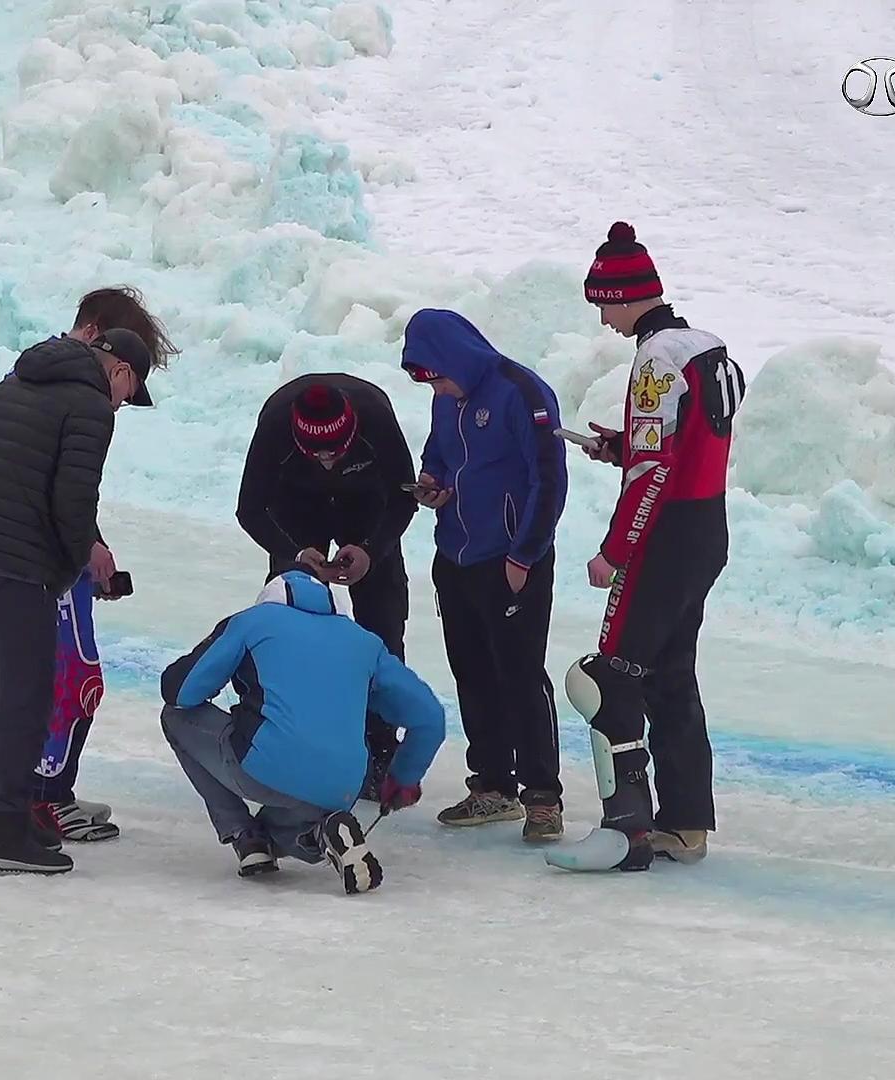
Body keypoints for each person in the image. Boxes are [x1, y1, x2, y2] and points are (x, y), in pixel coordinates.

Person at [546, 221, 745, 874]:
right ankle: (685, 823)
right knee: (669, 674)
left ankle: (625, 831)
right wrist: (623, 445)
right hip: (704, 527)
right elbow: (685, 446)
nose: (602, 319)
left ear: (627, 296)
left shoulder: (657, 358)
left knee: (610, 678)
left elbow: (653, 471)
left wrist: (613, 550)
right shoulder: (706, 344)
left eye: (602, 303)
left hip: (663, 537)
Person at [0, 320, 161, 875]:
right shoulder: (89, 407)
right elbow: (73, 500)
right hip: (20, 569)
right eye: (128, 392)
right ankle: (5, 834)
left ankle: (9, 818)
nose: (121, 406)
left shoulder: (12, 384)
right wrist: (79, 565)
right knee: (28, 696)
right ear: (119, 371)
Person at [159, 567, 448, 894]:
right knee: (284, 832)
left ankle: (243, 834)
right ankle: (322, 832)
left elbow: (180, 692)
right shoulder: (364, 642)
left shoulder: (253, 622)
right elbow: (430, 717)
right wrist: (403, 778)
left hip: (263, 766)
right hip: (341, 786)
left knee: (175, 718)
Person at [400, 308, 569, 840]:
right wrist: (433, 480)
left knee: (520, 673)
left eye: (440, 378)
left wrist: (525, 555)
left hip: (512, 559)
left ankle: (543, 795)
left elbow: (549, 479)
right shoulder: (446, 400)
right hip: (456, 556)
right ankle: (493, 786)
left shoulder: (521, 392)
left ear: (457, 359)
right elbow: (441, 452)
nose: (439, 391)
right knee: (471, 671)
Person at [27, 286, 179, 846]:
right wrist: (83, 546)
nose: (123, 401)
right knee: (74, 680)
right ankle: (45, 798)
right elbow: (61, 491)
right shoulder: (79, 397)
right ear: (98, 336)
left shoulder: (35, 378)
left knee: (56, 678)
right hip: (44, 563)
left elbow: (56, 483)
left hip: (37, 556)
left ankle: (46, 794)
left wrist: (90, 543)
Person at [233, 373, 418, 799]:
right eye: (316, 451)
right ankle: (280, 731)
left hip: (366, 503)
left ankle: (381, 747)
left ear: (351, 431)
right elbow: (250, 509)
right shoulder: (277, 425)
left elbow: (403, 495)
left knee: (382, 625)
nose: (327, 459)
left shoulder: (374, 418)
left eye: (336, 450)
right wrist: (296, 552)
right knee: (286, 620)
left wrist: (372, 548)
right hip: (296, 505)